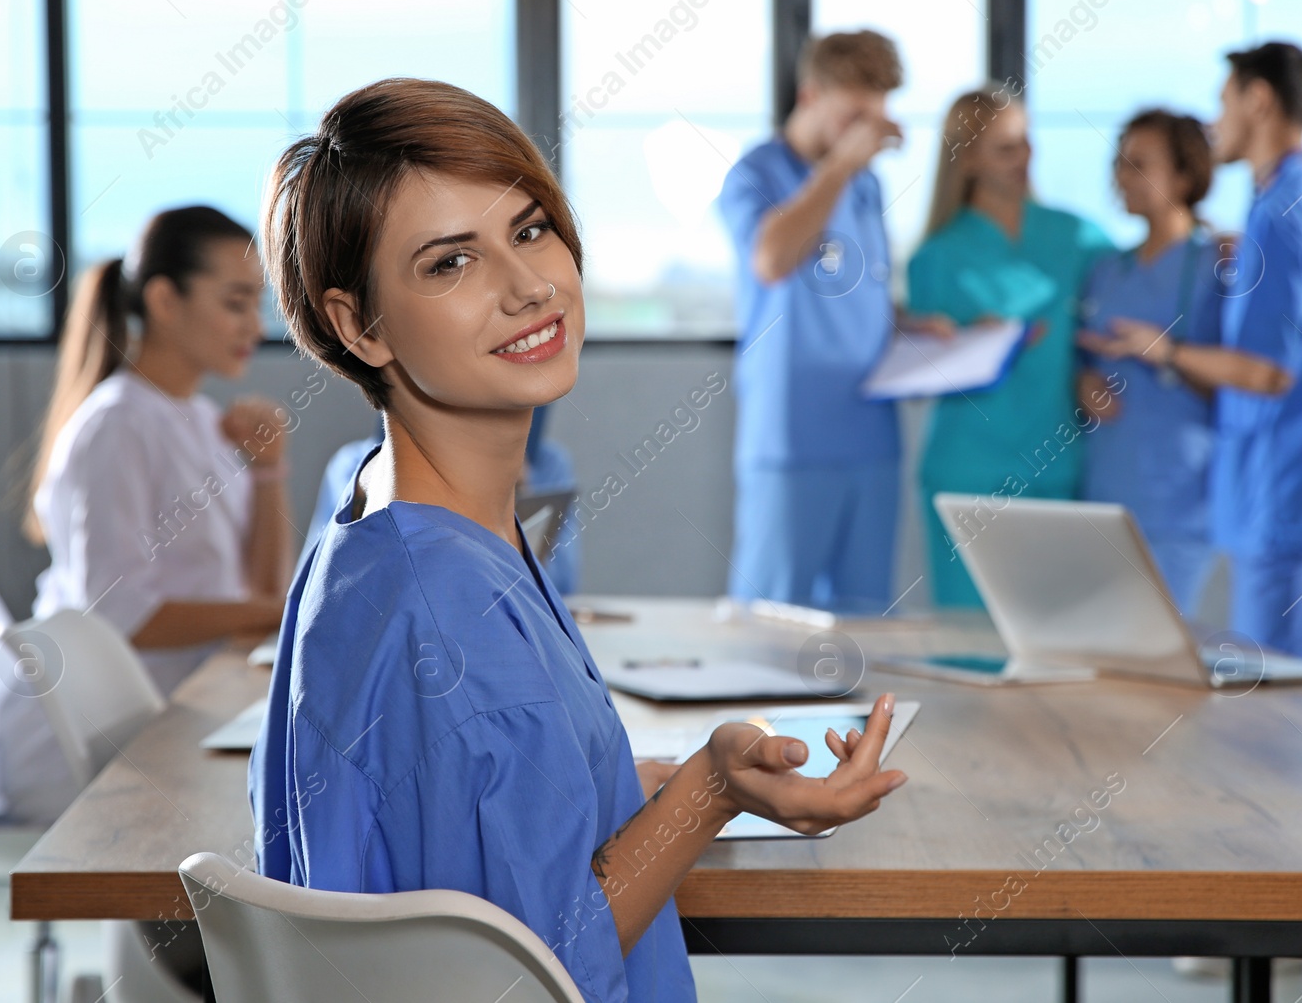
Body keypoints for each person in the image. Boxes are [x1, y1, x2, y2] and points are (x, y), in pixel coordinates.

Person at [251, 78, 908, 1003]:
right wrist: (711, 787)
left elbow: (494, 799)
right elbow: (537, 963)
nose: (529, 287)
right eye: (450, 263)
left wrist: (694, 775)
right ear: (359, 326)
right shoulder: (449, 609)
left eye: (528, 230)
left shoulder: (377, 525)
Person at [1080, 43, 1302, 661]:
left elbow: (1268, 371)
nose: (1215, 121)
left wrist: (1166, 354)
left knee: (1289, 686)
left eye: (1223, 101)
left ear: (1259, 100)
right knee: (1294, 671)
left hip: (1285, 481)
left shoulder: (1281, 215)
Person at [4, 205, 293, 826]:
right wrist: (286, 612)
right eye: (236, 302)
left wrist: (268, 470)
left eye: (258, 303)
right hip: (89, 733)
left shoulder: (197, 420)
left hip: (170, 707)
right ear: (164, 299)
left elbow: (260, 589)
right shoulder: (117, 424)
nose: (255, 324)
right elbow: (118, 612)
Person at [718, 30, 951, 613]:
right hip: (793, 439)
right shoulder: (758, 173)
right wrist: (842, 164)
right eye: (854, 114)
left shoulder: (868, 185)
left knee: (861, 626)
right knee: (771, 624)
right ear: (811, 95)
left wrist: (911, 324)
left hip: (872, 438)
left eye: (877, 114)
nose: (868, 132)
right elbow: (772, 260)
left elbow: (851, 289)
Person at [907, 87, 1115, 607]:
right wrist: (972, 342)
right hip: (969, 471)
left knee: (1053, 642)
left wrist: (1087, 371)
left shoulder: (1077, 237)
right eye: (1005, 148)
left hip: (1054, 463)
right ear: (968, 158)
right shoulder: (936, 257)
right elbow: (919, 367)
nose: (1024, 158)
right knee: (972, 646)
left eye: (1025, 143)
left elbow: (1140, 283)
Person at [1076, 109, 1223, 617]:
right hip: (1105, 494)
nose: (1121, 177)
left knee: (1158, 664)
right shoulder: (1106, 272)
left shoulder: (1219, 267)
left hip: (1177, 499)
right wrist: (1084, 386)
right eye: (1119, 162)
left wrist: (1165, 353)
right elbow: (1081, 361)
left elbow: (1243, 384)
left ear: (1185, 175)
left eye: (1139, 164)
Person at [303, 405, 582, 593]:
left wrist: (514, 496)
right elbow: (320, 581)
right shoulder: (354, 464)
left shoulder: (548, 463)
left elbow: (562, 584)